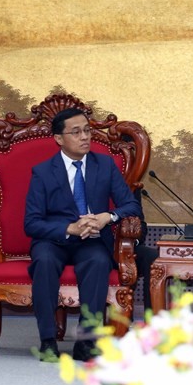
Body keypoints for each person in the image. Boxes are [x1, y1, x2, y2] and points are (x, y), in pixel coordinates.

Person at [25, 107, 142, 362]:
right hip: (53, 239)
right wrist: (69, 228)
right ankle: (47, 340)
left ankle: (85, 342)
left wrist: (106, 217)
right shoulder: (43, 172)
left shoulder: (105, 165)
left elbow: (131, 205)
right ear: (59, 138)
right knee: (44, 261)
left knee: (99, 261)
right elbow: (31, 223)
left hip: (92, 239)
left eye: (87, 130)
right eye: (76, 132)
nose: (85, 137)